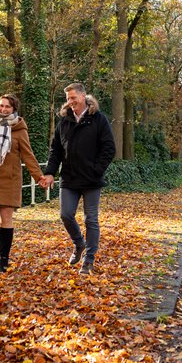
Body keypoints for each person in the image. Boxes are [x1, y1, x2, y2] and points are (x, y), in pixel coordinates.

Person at [43, 82, 116, 275]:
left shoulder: (98, 119)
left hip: (91, 179)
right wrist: (50, 172)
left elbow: (109, 148)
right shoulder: (64, 121)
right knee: (66, 214)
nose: (70, 102)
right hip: (69, 178)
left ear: (83, 96)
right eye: (67, 99)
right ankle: (79, 243)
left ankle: (88, 260)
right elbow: (55, 150)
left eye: (73, 97)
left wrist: (96, 170)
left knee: (91, 219)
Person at [0, 94, 45, 273]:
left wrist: (39, 177)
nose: (4, 109)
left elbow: (28, 156)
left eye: (8, 107)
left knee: (6, 219)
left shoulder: (19, 130)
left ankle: (4, 259)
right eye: (1, 106)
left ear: (14, 109)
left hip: (9, 181)